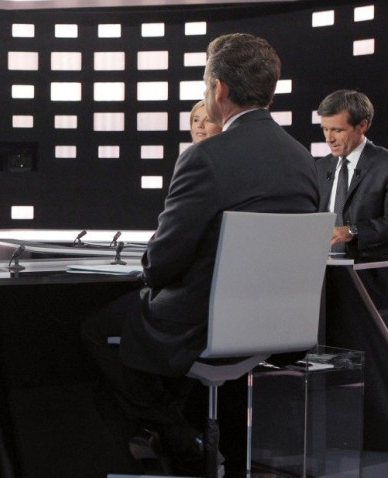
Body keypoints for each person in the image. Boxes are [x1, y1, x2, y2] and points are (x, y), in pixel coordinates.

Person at [80, 33, 319, 475]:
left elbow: (161, 263)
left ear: (218, 90)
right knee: (167, 319)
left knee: (99, 328)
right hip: (276, 324)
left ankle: (175, 434)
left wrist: (152, 268)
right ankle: (181, 442)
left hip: (204, 324)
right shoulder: (303, 159)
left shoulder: (204, 157)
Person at [316, 89, 388, 259]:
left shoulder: (384, 164)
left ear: (362, 126)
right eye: (325, 129)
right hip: (322, 273)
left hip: (369, 275)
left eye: (337, 130)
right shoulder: (320, 166)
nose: (329, 138)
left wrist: (352, 231)